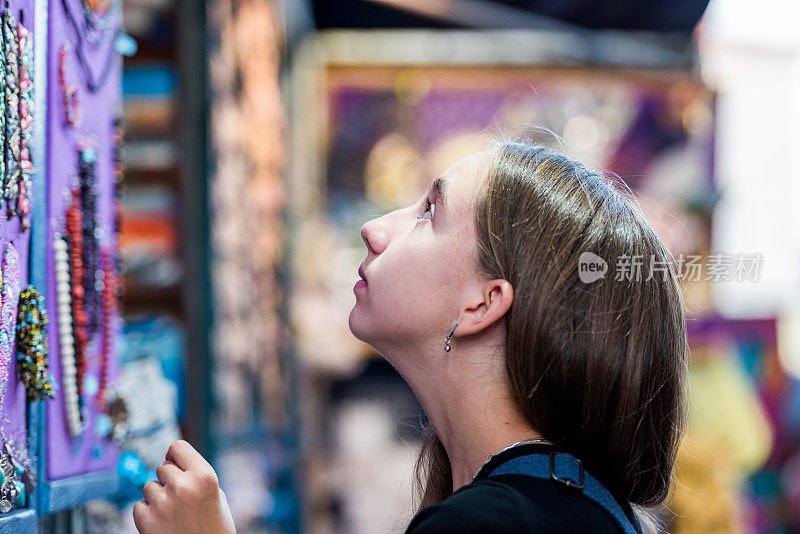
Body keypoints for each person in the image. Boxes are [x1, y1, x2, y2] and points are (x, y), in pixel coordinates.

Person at [133, 141, 688, 533]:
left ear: (483, 303)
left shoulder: (492, 524)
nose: (374, 230)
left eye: (429, 212)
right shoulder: (570, 507)